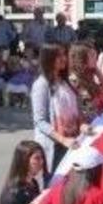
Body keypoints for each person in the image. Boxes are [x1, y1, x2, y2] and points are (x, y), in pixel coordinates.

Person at [31, 44, 80, 174]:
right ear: (48, 59)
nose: (64, 58)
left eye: (64, 54)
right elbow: (40, 121)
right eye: (59, 56)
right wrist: (62, 139)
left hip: (72, 141)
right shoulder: (41, 84)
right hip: (56, 145)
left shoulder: (65, 82)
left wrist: (83, 124)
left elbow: (75, 109)